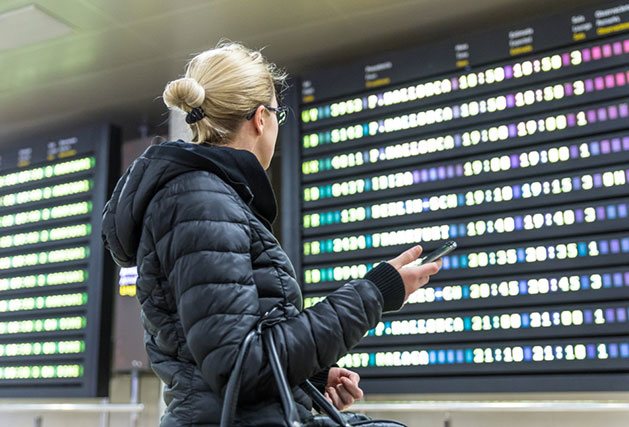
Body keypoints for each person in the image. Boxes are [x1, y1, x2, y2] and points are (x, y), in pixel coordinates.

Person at [102, 42, 441, 426]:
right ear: (261, 118)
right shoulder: (202, 202)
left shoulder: (203, 197)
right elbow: (238, 368)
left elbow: (223, 349)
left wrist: (307, 377)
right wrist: (374, 293)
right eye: (279, 115)